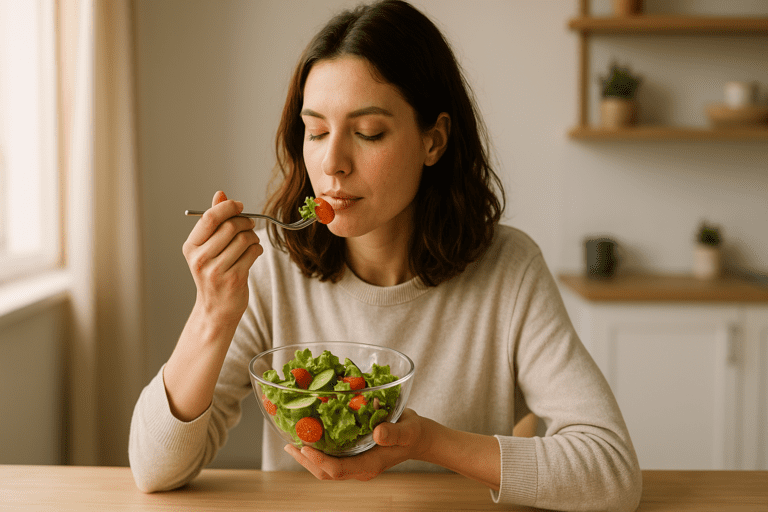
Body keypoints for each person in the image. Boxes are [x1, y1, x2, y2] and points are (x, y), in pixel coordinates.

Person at [129, 1, 642, 509]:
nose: (332, 164)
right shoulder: (272, 267)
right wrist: (212, 315)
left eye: (367, 133)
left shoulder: (509, 269)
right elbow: (153, 471)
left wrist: (424, 442)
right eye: (317, 131)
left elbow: (611, 472)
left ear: (434, 140)